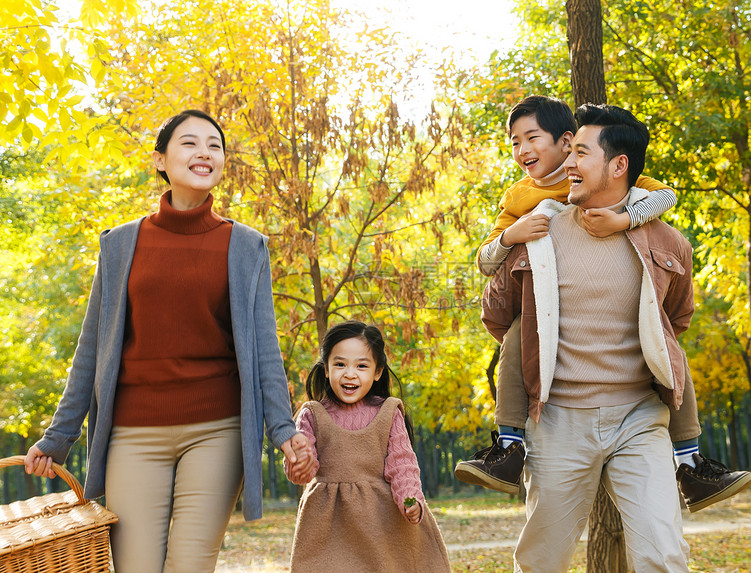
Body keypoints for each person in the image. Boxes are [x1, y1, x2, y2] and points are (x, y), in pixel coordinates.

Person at [23, 109, 309, 573]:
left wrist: (282, 429)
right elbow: (92, 349)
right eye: (190, 143)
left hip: (217, 431)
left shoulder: (246, 246)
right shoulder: (120, 244)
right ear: (160, 159)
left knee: (189, 567)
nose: (204, 152)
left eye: (214, 145)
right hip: (132, 435)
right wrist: (59, 437)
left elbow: (264, 350)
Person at [457, 95, 750, 513]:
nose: (522, 151)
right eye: (514, 142)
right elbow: (487, 265)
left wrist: (624, 220)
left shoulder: (629, 200)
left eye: (532, 138)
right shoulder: (520, 200)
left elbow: (665, 197)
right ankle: (508, 445)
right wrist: (512, 235)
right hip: (555, 386)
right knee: (520, 332)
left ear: (567, 142)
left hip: (635, 408)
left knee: (665, 339)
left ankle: (690, 460)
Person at [285, 321, 451, 572]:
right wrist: (299, 464)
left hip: (382, 521)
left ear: (377, 371)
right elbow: (303, 463)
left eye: (361, 366)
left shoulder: (388, 412)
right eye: (339, 364)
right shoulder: (312, 414)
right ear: (326, 369)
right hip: (329, 523)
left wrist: (411, 498)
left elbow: (402, 463)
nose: (350, 374)